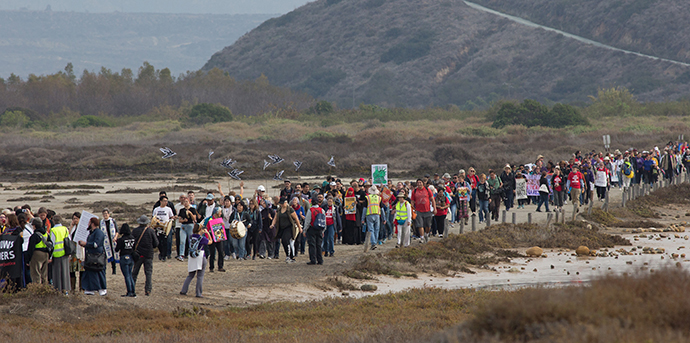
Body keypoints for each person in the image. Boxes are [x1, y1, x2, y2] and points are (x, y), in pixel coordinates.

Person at [79, 217, 107, 296]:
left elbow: (96, 244)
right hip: (90, 256)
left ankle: (102, 289)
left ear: (93, 224)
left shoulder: (99, 233)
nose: (88, 224)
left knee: (99, 272)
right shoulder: (91, 233)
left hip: (97, 257)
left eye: (89, 223)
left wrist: (86, 244)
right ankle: (90, 289)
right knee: (90, 272)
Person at [131, 215, 158, 296]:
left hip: (138, 254)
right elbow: (156, 243)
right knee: (148, 273)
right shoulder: (151, 231)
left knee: (134, 273)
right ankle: (148, 290)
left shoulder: (135, 231)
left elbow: (132, 243)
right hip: (148, 254)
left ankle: (132, 288)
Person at [270, 198, 302, 263]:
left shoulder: (290, 209)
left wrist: (299, 227)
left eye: (282, 203)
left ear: (286, 202)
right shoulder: (279, 210)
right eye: (280, 204)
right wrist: (272, 224)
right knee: (283, 242)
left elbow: (296, 218)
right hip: (281, 228)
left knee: (286, 240)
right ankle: (290, 256)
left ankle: (289, 256)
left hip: (289, 227)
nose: (281, 205)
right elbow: (275, 218)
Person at [180, 224, 208, 298]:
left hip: (192, 256)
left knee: (190, 275)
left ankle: (184, 290)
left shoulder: (191, 237)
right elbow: (210, 241)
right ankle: (198, 293)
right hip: (201, 256)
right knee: (200, 276)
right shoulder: (202, 238)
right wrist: (207, 233)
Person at [49, 215, 71, 295]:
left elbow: (52, 244)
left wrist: (50, 256)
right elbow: (69, 240)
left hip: (56, 254)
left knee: (57, 274)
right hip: (65, 253)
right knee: (65, 273)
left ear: (54, 221)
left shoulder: (53, 230)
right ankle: (66, 290)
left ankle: (58, 290)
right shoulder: (65, 229)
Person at [27, 218, 51, 285]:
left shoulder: (34, 236)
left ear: (34, 226)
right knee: (44, 274)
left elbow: (30, 248)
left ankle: (37, 289)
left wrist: (28, 259)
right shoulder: (46, 234)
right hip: (46, 254)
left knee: (36, 273)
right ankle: (45, 289)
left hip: (37, 255)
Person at [411, 179, 436, 243]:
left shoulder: (427, 189)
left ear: (423, 183)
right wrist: (412, 208)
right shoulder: (414, 191)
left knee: (428, 225)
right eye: (418, 183)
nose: (419, 184)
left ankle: (426, 234)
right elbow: (412, 201)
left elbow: (432, 199)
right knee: (420, 225)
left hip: (427, 210)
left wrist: (434, 208)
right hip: (419, 210)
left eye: (420, 182)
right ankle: (421, 237)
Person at [114, 223, 136, 297]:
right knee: (130, 274)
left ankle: (129, 291)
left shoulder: (121, 239)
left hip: (124, 257)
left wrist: (116, 243)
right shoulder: (132, 238)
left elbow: (117, 249)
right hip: (131, 257)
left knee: (126, 275)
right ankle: (133, 291)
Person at [152, 196, 175, 261]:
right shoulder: (156, 209)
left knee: (165, 241)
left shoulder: (168, 209)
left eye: (166, 201)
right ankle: (161, 253)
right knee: (159, 242)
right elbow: (154, 217)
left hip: (166, 227)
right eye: (164, 201)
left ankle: (164, 255)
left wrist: (172, 220)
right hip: (158, 227)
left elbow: (171, 217)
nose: (166, 202)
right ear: (161, 201)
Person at [303, 198, 324, 265]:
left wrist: (304, 230)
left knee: (312, 245)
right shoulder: (322, 210)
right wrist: (323, 230)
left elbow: (307, 221)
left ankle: (313, 260)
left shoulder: (310, 210)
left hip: (312, 229)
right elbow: (324, 221)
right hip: (320, 228)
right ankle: (320, 260)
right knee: (319, 245)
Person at [205, 207, 226, 272]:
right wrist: (207, 237)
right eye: (220, 212)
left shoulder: (220, 219)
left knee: (221, 252)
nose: (221, 213)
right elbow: (206, 229)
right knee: (212, 253)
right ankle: (211, 267)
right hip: (212, 237)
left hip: (219, 237)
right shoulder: (210, 219)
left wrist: (223, 225)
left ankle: (220, 266)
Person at [177, 195, 198, 261]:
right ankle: (181, 255)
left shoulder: (192, 209)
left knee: (190, 240)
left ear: (189, 202)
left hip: (190, 225)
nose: (185, 203)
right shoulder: (181, 210)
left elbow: (194, 218)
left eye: (187, 201)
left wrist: (190, 213)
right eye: (184, 202)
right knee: (182, 241)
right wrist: (183, 220)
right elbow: (179, 220)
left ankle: (190, 253)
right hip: (183, 226)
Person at [68, 212, 84, 293]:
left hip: (81, 251)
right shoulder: (73, 228)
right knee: (72, 270)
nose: (75, 220)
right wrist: (71, 226)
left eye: (76, 219)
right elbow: (69, 236)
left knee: (82, 271)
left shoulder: (82, 228)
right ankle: (72, 288)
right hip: (73, 251)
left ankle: (82, 287)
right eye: (74, 219)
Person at [99, 209, 119, 275]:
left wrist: (115, 237)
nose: (105, 215)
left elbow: (117, 231)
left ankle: (114, 269)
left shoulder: (112, 221)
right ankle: (104, 269)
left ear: (109, 214)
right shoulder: (101, 222)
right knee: (105, 255)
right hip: (105, 241)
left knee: (113, 254)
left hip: (112, 240)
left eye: (106, 214)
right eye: (104, 214)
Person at [364, 185, 382, 250]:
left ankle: (373, 243)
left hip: (369, 215)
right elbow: (382, 208)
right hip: (377, 215)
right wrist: (384, 218)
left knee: (371, 230)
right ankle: (375, 242)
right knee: (376, 229)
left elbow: (365, 209)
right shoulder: (379, 198)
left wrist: (363, 218)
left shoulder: (367, 198)